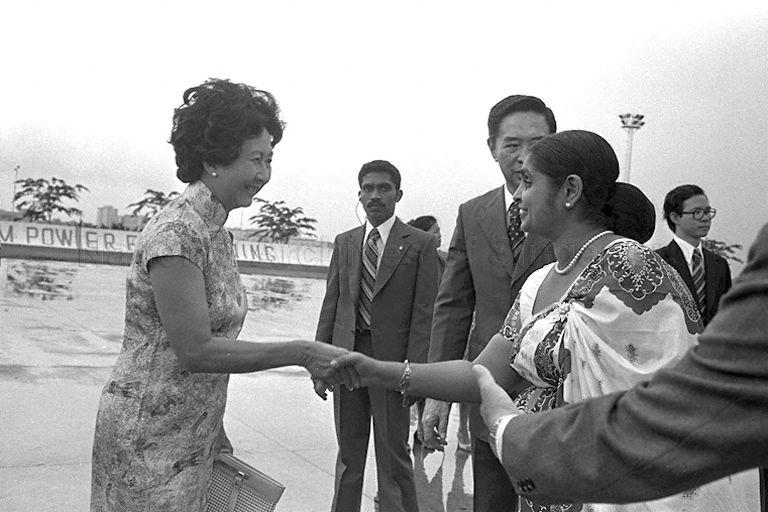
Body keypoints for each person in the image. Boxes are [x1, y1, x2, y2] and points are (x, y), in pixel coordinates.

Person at [330, 130, 758, 511]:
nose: (517, 195)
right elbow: (483, 375)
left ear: (569, 190)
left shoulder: (629, 268)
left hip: (628, 492)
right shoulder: (538, 282)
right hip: (553, 488)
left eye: (528, 182)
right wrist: (376, 372)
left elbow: (667, 401)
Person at [90, 79, 352, 512]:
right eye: (255, 159)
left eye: (269, 160)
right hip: (148, 439)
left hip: (194, 435)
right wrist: (302, 352)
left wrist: (216, 429)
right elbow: (197, 350)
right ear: (214, 158)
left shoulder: (217, 235)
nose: (265, 174)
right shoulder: (177, 232)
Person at [474, 222, 768, 508]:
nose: (523, 196)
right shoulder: (543, 281)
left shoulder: (636, 269)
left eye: (530, 181)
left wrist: (513, 433)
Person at [422, 94, 556, 510]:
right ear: (492, 148)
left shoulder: (573, 208)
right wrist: (437, 392)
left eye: (537, 143)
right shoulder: (473, 213)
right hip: (490, 391)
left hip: (557, 400)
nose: (523, 156)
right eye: (512, 144)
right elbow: (454, 308)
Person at [314, 160, 439, 512]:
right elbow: (332, 305)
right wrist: (320, 363)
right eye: (367, 188)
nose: (375, 195)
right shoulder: (346, 242)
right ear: (359, 194)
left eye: (383, 188)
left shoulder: (420, 244)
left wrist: (413, 374)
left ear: (398, 194)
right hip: (346, 361)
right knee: (349, 457)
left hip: (391, 365)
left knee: (394, 457)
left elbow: (424, 314)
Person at [657, 184, 732, 326]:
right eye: (697, 212)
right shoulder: (658, 261)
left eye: (707, 211)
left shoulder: (719, 264)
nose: (705, 218)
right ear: (675, 217)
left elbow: (727, 313)